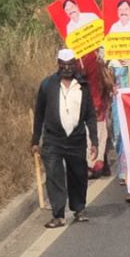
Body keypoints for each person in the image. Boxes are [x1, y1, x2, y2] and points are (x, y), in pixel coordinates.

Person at [31, 49, 98, 228]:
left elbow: (90, 114)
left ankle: (79, 209)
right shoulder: (47, 85)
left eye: (71, 65)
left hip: (76, 138)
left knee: (78, 174)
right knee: (54, 175)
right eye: (64, 65)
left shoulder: (83, 85)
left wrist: (94, 140)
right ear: (58, 64)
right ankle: (58, 214)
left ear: (75, 64)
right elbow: (39, 114)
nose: (67, 68)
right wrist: (35, 140)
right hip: (53, 138)